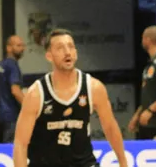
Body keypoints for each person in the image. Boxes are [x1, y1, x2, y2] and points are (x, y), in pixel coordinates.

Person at [12, 29, 127, 167]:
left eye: (71, 47)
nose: (67, 52)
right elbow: (20, 143)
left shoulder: (94, 88)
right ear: (49, 56)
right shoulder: (36, 94)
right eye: (60, 48)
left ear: (76, 53)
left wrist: (123, 163)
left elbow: (110, 127)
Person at [0, 35, 26, 143]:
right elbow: (15, 90)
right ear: (8, 48)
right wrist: (30, 107)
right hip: (11, 116)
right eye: (18, 45)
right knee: (11, 149)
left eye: (22, 45)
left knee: (2, 147)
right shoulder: (12, 66)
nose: (22, 48)